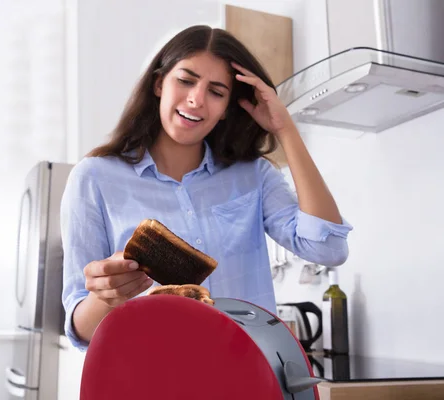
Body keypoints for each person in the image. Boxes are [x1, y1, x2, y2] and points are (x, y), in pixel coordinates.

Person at [60, 25, 352, 351]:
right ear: (159, 84)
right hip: (150, 376)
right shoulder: (94, 178)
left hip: (247, 374)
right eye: (185, 80)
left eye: (216, 91)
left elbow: (328, 250)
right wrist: (108, 295)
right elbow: (80, 330)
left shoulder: (253, 175)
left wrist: (285, 129)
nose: (196, 99)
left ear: (228, 107)